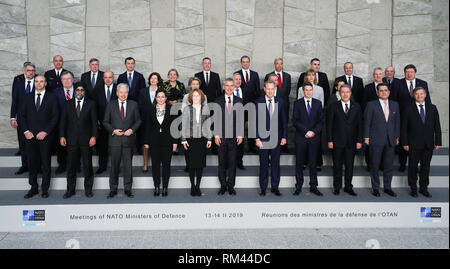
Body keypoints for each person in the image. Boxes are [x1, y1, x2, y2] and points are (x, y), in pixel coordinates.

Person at [18, 75, 59, 198]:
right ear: (34, 83)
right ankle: (34, 187)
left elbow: (55, 117)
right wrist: (26, 131)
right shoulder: (27, 97)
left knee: (46, 163)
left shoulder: (52, 98)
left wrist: (46, 131)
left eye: (41, 81)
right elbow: (21, 116)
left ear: (45, 83)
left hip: (45, 136)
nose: (39, 83)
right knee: (32, 163)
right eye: (36, 81)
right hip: (30, 136)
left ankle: (45, 189)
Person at [59, 82, 97, 198]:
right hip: (71, 140)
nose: (79, 92)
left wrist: (94, 136)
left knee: (87, 165)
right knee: (71, 166)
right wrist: (62, 136)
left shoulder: (91, 104)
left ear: (84, 91)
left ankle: (88, 189)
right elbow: (63, 122)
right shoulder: (67, 104)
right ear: (74, 91)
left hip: (86, 140)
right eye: (77, 90)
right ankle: (70, 190)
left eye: (82, 90)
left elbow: (94, 123)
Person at [103, 83, 141, 199]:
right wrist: (113, 130)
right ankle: (113, 189)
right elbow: (105, 122)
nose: (124, 94)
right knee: (114, 166)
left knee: (128, 167)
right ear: (117, 93)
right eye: (121, 92)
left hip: (128, 140)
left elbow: (138, 121)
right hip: (115, 141)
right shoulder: (111, 105)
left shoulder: (134, 104)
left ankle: (128, 189)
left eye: (126, 92)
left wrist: (132, 130)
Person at [401, 87, 441, 198]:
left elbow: (437, 126)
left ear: (425, 95)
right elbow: (403, 127)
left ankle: (424, 188)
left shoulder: (432, 108)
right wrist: (405, 142)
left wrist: (438, 141)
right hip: (413, 144)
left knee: (425, 167)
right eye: (417, 94)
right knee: (412, 167)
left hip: (428, 143)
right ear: (414, 95)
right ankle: (413, 188)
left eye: (421, 94)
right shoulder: (408, 108)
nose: (419, 96)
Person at [364, 83, 400, 197]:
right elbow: (367, 122)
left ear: (389, 92)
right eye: (381, 90)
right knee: (374, 165)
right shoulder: (371, 105)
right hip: (375, 139)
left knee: (389, 165)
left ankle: (387, 187)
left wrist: (397, 136)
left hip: (391, 140)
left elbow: (397, 122)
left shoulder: (395, 105)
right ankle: (375, 188)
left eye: (385, 90)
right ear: (377, 92)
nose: (383, 92)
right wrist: (366, 136)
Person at [394, 64, 431, 172]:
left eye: (411, 72)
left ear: (415, 72)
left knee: (418, 140)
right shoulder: (398, 83)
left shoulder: (423, 83)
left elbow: (427, 100)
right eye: (407, 72)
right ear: (404, 73)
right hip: (403, 116)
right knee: (404, 140)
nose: (409, 74)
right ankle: (402, 163)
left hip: (418, 116)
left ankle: (417, 164)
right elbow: (394, 100)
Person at [327, 84, 362, 196]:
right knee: (337, 166)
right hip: (337, 141)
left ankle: (348, 186)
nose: (345, 94)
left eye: (347, 92)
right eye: (343, 92)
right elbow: (329, 125)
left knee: (349, 166)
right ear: (339, 93)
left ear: (350, 93)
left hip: (352, 142)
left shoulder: (357, 106)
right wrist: (330, 140)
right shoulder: (333, 106)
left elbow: (360, 125)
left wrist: (359, 140)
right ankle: (336, 187)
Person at [255, 80, 287, 196]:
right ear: (264, 89)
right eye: (268, 89)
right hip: (262, 140)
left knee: (275, 163)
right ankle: (263, 187)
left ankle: (275, 187)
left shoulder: (280, 102)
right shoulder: (258, 102)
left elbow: (284, 121)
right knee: (263, 163)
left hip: (277, 139)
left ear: (275, 89)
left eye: (272, 89)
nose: (270, 91)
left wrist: (284, 136)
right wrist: (256, 138)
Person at [143, 89, 178, 197]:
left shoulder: (172, 109)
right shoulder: (150, 109)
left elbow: (175, 126)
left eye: (163, 96)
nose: (161, 99)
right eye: (158, 96)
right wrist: (146, 142)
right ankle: (157, 186)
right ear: (156, 98)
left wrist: (175, 141)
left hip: (168, 141)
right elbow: (147, 127)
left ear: (166, 98)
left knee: (166, 165)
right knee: (155, 165)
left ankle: (165, 187)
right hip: (154, 142)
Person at [293, 82, 324, 196]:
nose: (308, 92)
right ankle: (298, 186)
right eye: (306, 90)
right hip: (301, 137)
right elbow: (295, 120)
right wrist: (306, 131)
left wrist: (313, 132)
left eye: (310, 90)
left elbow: (321, 121)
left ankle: (313, 186)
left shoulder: (318, 103)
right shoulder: (297, 103)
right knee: (299, 163)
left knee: (313, 163)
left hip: (314, 138)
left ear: (312, 91)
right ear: (303, 91)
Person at [214, 78, 244, 195]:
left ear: (234, 87)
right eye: (227, 85)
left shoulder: (239, 101)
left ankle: (231, 186)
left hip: (234, 136)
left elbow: (241, 119)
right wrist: (216, 135)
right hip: (221, 136)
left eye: (231, 85)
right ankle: (223, 185)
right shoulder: (217, 101)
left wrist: (241, 134)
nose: (229, 88)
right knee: (221, 162)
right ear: (224, 87)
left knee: (232, 162)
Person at [182, 88, 212, 196]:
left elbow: (208, 125)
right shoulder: (187, 109)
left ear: (201, 97)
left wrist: (209, 139)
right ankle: (192, 186)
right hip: (190, 140)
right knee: (191, 165)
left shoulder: (205, 108)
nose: (196, 98)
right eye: (194, 96)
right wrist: (183, 140)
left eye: (198, 96)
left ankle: (198, 187)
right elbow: (184, 125)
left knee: (199, 165)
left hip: (202, 139)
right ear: (191, 97)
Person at [10, 62, 36, 175]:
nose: (31, 72)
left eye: (33, 71)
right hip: (21, 118)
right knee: (23, 143)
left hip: (36, 118)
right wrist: (12, 117)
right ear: (24, 71)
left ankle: (36, 166)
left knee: (35, 143)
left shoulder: (39, 82)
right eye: (29, 70)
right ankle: (24, 165)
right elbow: (14, 101)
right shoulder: (18, 84)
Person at [298, 69, 325, 171]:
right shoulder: (301, 88)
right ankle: (304, 162)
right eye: (309, 75)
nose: (311, 77)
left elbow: (321, 104)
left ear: (315, 77)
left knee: (316, 143)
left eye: (313, 75)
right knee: (304, 142)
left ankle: (317, 163)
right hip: (304, 121)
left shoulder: (320, 89)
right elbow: (299, 103)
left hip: (315, 120)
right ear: (306, 77)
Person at [195, 57, 222, 155]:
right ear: (202, 64)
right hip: (201, 106)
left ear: (210, 64)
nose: (207, 65)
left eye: (208, 63)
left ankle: (214, 149)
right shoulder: (197, 75)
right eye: (205, 63)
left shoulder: (215, 75)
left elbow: (218, 91)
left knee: (213, 126)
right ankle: (203, 148)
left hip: (213, 105)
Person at [264, 58, 292, 153]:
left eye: (281, 63)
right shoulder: (268, 75)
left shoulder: (287, 76)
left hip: (283, 105)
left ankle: (283, 144)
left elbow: (287, 91)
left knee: (283, 124)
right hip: (270, 104)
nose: (279, 65)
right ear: (274, 64)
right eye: (277, 63)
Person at [138, 72, 163, 172]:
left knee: (157, 142)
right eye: (151, 78)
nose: (153, 80)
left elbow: (163, 104)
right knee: (145, 142)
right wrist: (149, 112)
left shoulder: (161, 91)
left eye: (155, 78)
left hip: (158, 120)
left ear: (158, 80)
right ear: (149, 80)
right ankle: (145, 164)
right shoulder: (143, 91)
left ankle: (156, 164)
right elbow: (140, 105)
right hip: (145, 120)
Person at [93, 71, 117, 174]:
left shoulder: (119, 88)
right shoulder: (97, 89)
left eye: (110, 77)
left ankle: (116, 167)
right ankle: (102, 166)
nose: (108, 79)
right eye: (106, 77)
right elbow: (93, 106)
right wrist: (96, 120)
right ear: (103, 78)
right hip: (101, 123)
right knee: (102, 146)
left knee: (116, 147)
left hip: (116, 123)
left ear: (113, 78)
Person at [362, 67, 385, 171]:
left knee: (384, 143)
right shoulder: (368, 87)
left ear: (383, 75)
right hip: (371, 120)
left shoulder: (387, 87)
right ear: (373, 75)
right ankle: (370, 164)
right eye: (376, 74)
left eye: (380, 74)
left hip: (385, 120)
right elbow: (364, 103)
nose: (378, 76)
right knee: (370, 143)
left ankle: (382, 164)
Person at [235, 55, 260, 153]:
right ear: (241, 63)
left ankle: (252, 147)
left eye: (247, 61)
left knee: (251, 128)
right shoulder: (237, 74)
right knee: (239, 128)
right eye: (243, 62)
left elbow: (257, 90)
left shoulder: (255, 74)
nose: (245, 63)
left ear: (249, 63)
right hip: (240, 105)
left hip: (252, 105)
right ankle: (239, 148)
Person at [53, 70, 76, 174]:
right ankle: (62, 165)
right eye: (64, 79)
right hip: (60, 124)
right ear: (61, 81)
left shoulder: (79, 90)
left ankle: (76, 165)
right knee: (61, 146)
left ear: (73, 80)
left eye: (69, 79)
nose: (66, 81)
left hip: (76, 124)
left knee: (75, 145)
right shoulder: (55, 92)